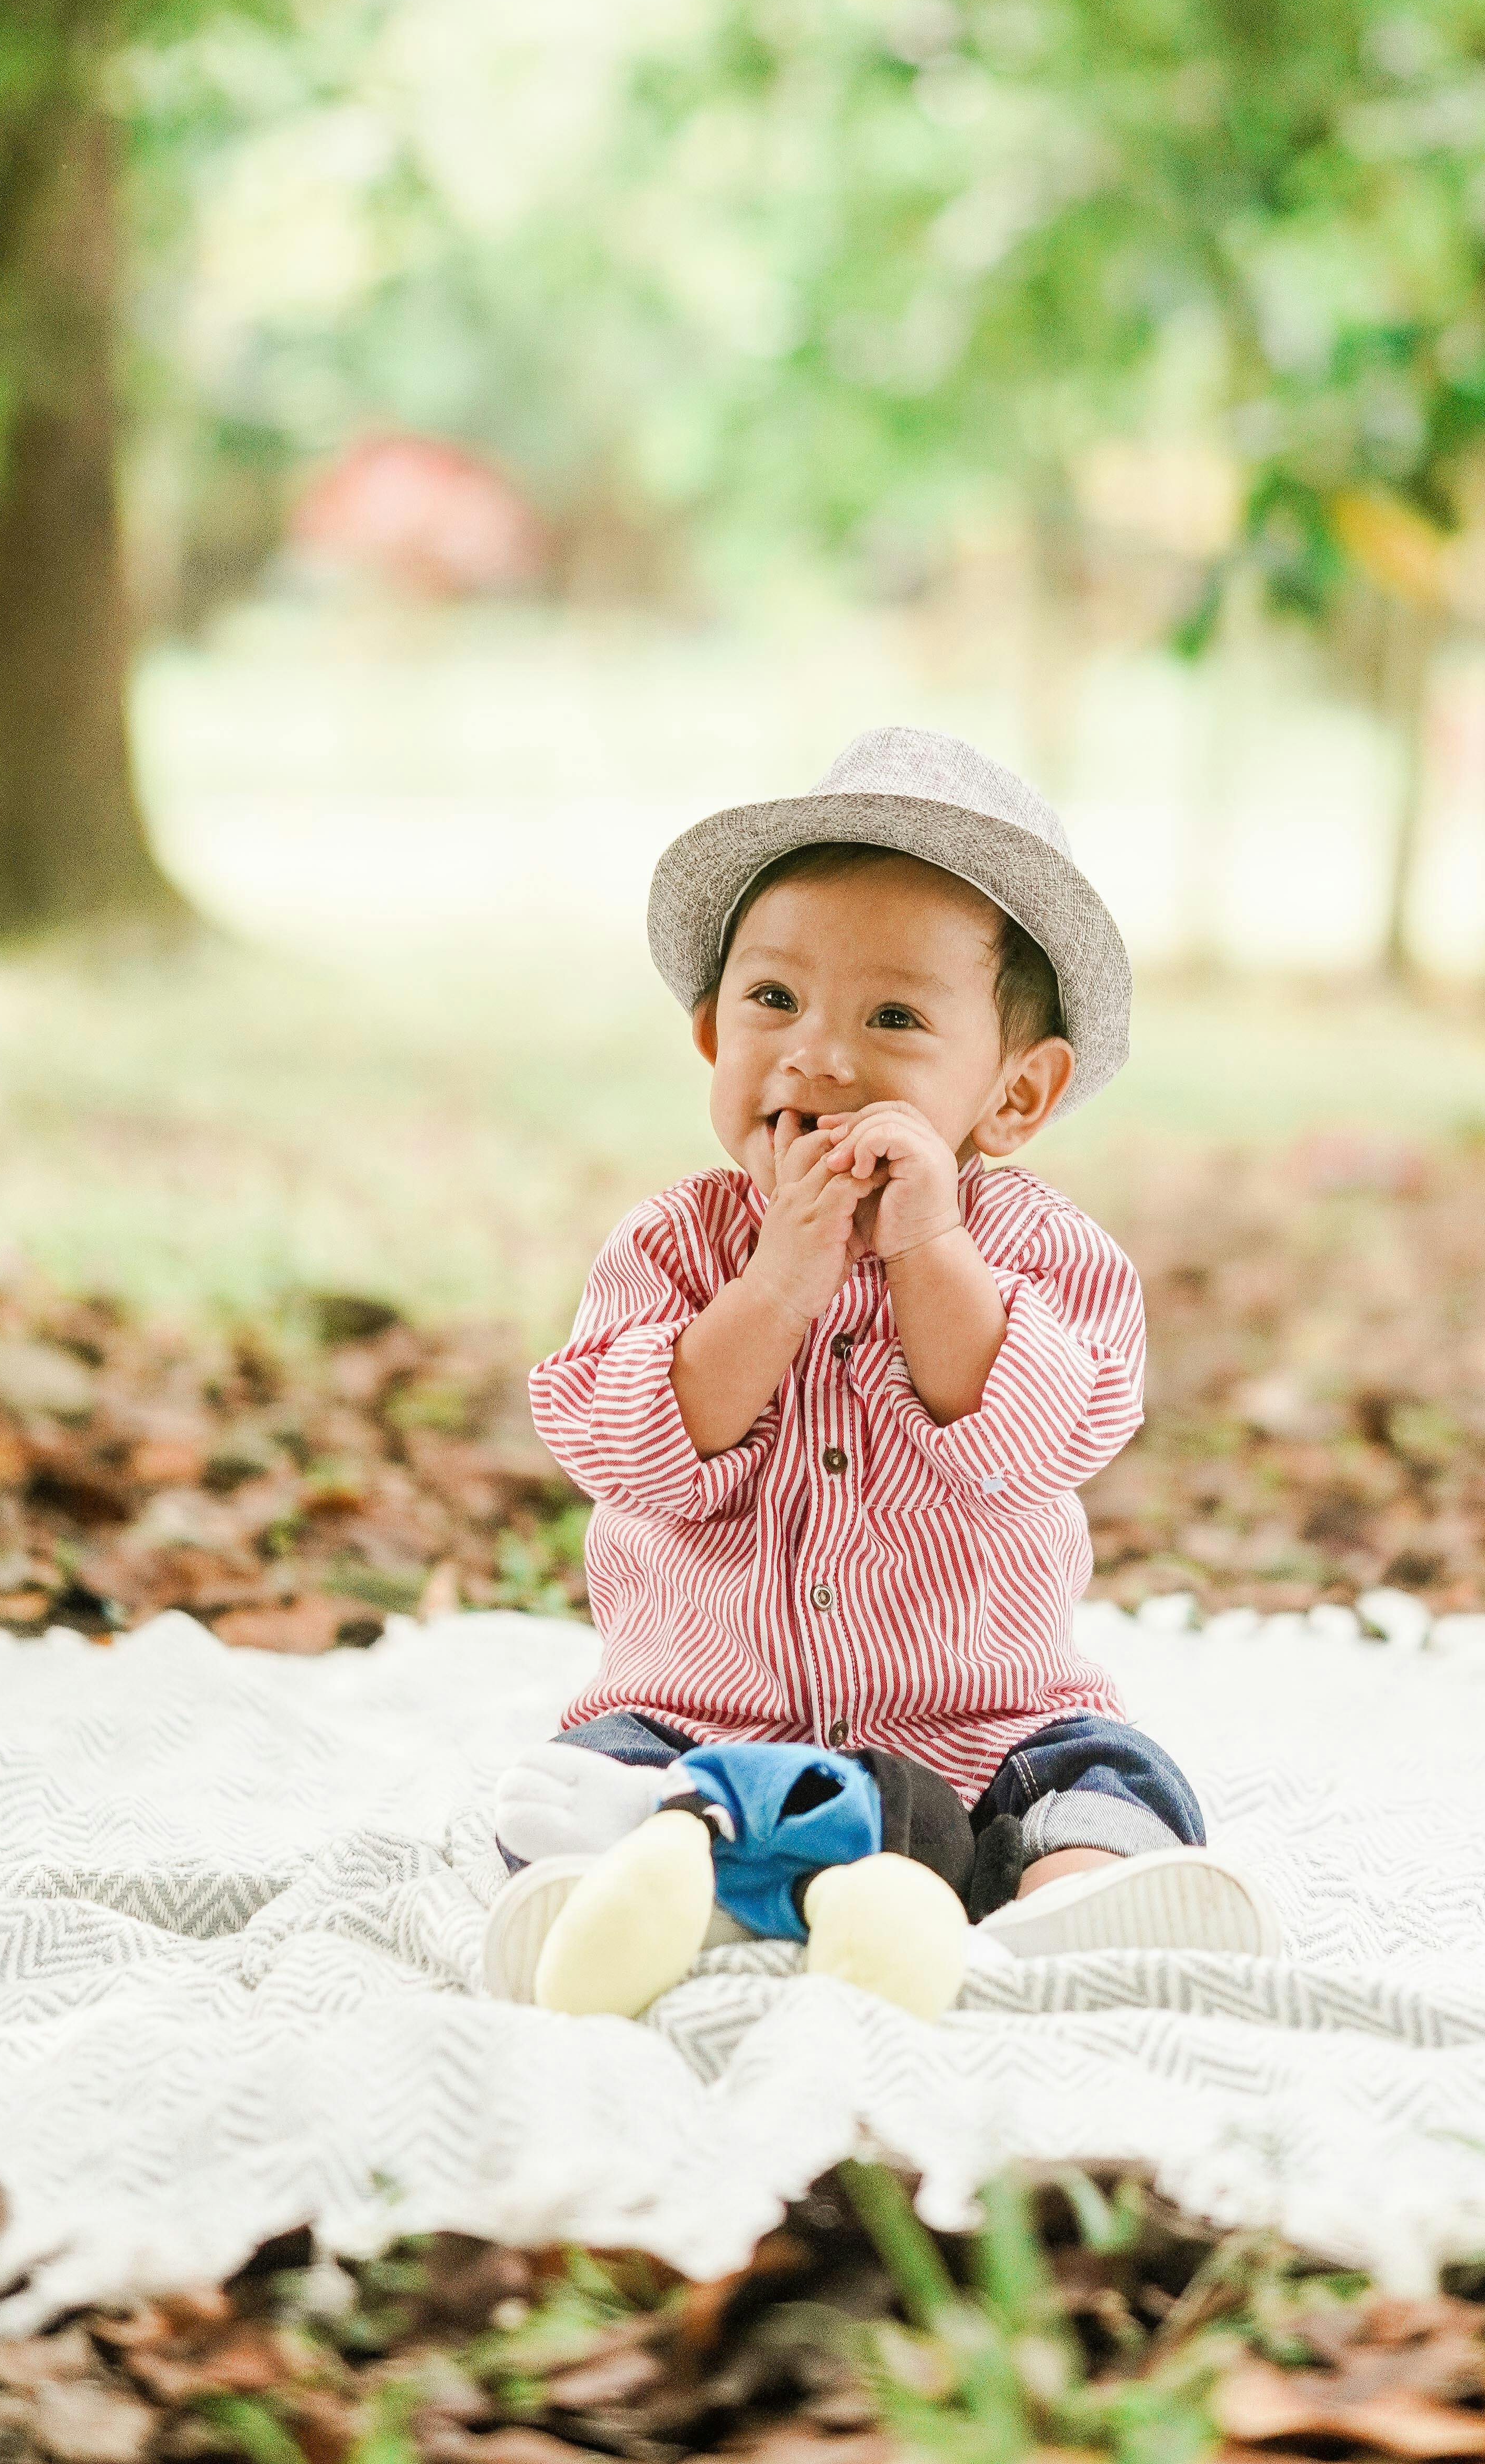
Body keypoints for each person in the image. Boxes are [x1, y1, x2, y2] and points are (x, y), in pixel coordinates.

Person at [481, 726, 1278, 2018]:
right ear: (707, 1035)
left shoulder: (1041, 1252)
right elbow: (619, 1449)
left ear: (1014, 1097)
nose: (820, 1055)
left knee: (1109, 1775)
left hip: (981, 1733)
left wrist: (928, 1249)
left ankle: (1073, 1899)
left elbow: (1039, 1439)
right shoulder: (677, 1243)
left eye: (894, 1018)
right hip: (701, 1728)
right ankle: (652, 1879)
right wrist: (775, 1285)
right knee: (576, 1780)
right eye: (772, 1001)